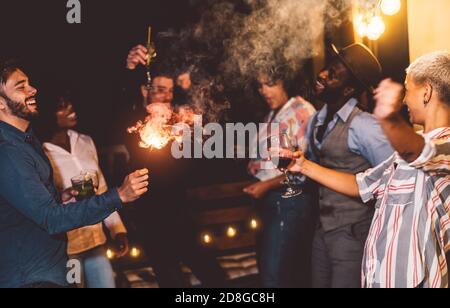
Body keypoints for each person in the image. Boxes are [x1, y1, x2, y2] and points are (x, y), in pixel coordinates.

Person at [286, 51, 450, 288]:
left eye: (407, 90)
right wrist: (302, 165)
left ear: (426, 92)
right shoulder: (406, 150)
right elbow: (360, 184)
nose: (404, 100)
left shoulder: (444, 145)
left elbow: (417, 152)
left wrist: (389, 118)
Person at [0, 60, 149, 288]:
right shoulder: (9, 152)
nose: (33, 90)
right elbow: (51, 219)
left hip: (50, 271)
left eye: (29, 83)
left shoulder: (27, 141)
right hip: (31, 279)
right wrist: (118, 196)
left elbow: (33, 207)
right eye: (21, 86)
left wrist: (62, 198)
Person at [124, 46, 227, 287]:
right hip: (151, 222)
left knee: (215, 277)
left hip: (182, 218)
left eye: (170, 91)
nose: (166, 96)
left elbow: (207, 131)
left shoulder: (179, 124)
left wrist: (190, 89)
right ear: (144, 92)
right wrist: (131, 70)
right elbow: (124, 101)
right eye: (159, 90)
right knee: (172, 281)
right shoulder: (136, 123)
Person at [303, 43, 394, 288]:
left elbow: (393, 178)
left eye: (333, 74)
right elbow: (314, 163)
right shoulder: (316, 119)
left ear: (349, 88)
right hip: (322, 230)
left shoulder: (364, 126)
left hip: (352, 233)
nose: (322, 75)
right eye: (326, 68)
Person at [40, 94, 129, 288]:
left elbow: (102, 188)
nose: (71, 108)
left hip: (95, 240)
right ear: (48, 113)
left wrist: (116, 229)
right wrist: (65, 195)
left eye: (70, 102)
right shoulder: (41, 153)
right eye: (62, 106)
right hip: (67, 247)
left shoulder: (85, 141)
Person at [242, 65, 317, 287]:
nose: (264, 91)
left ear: (285, 81)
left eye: (270, 84)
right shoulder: (272, 113)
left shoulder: (301, 111)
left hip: (290, 201)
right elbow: (268, 159)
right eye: (260, 86)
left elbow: (308, 167)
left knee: (274, 275)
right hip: (270, 202)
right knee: (276, 271)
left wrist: (266, 186)